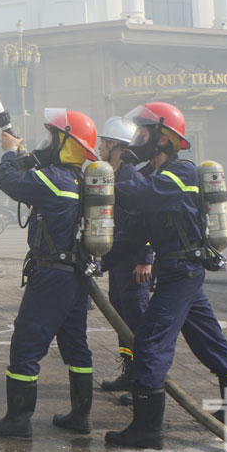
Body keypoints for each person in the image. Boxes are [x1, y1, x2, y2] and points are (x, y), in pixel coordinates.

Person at [105, 102, 227, 449]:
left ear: (164, 138)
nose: (136, 140)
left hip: (183, 270)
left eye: (142, 133)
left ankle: (147, 430)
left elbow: (138, 196)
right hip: (177, 271)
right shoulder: (153, 179)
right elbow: (133, 234)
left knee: (151, 341)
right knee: (207, 340)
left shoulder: (181, 174)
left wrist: (121, 165)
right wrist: (97, 262)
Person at [0, 110, 98, 439]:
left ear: (67, 143)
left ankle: (17, 420)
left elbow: (9, 181)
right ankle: (80, 416)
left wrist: (7, 152)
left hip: (52, 277)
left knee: (26, 343)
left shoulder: (57, 179)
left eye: (53, 138)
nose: (48, 144)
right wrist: (21, 151)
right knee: (76, 345)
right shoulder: (74, 179)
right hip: (76, 275)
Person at [96, 117, 153, 406]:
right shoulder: (113, 176)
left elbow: (146, 220)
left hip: (134, 265)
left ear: (115, 145)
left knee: (137, 323)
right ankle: (129, 373)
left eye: (103, 142)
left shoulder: (132, 178)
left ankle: (143, 382)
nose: (99, 147)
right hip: (117, 261)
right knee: (121, 319)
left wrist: (145, 259)